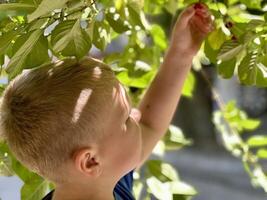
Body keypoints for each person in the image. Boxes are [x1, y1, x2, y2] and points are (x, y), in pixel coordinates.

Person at [0, 3, 214, 200]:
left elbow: (150, 123)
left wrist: (181, 54)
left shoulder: (106, 179)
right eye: (126, 120)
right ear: (90, 161)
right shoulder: (104, 179)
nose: (137, 116)